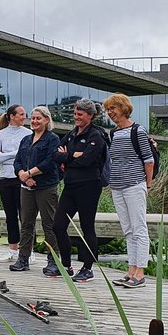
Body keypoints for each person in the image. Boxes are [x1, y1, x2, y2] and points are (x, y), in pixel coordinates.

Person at [52, 98, 110, 282]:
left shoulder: (96, 135)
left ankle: (87, 267)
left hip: (89, 185)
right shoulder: (71, 135)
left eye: (80, 114)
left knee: (87, 227)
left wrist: (66, 157)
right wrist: (72, 155)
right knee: (58, 225)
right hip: (70, 186)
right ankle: (66, 264)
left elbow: (88, 160)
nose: (76, 117)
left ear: (90, 115)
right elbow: (55, 155)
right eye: (75, 114)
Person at [103, 93, 155, 288]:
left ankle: (140, 273)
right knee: (128, 230)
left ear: (123, 108)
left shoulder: (137, 131)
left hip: (134, 184)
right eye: (108, 110)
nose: (110, 113)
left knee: (139, 228)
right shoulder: (114, 133)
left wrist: (147, 186)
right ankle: (131, 270)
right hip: (117, 186)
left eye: (113, 108)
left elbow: (148, 161)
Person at [10, 106, 60, 273]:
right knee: (26, 223)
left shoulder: (52, 139)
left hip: (45, 186)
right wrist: (22, 175)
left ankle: (53, 261)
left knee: (49, 224)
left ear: (46, 120)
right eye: (32, 118)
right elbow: (17, 161)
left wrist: (30, 173)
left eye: (38, 118)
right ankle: (23, 258)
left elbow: (50, 161)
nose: (34, 121)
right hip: (26, 187)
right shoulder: (26, 139)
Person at [0, 105, 28, 262]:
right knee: (10, 215)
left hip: (22, 177)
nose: (24, 117)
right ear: (12, 116)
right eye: (21, 114)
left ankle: (27, 250)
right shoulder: (0, 133)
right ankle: (13, 250)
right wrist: (16, 153)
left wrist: (4, 155)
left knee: (25, 216)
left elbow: (26, 156)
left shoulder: (28, 133)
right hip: (5, 178)